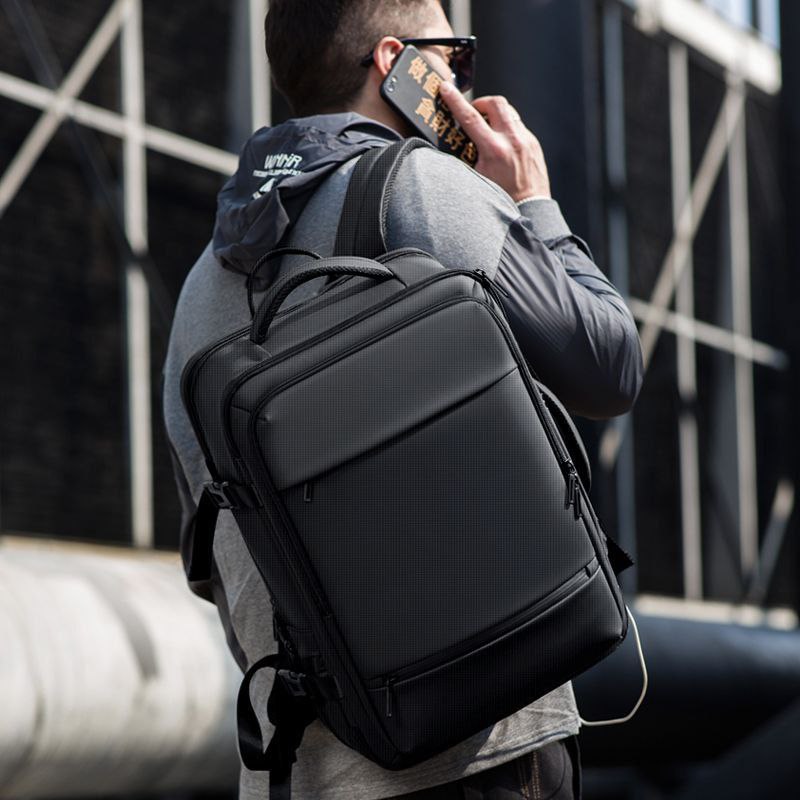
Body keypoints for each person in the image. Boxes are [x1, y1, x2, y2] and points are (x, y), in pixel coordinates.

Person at [162, 1, 643, 798]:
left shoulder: (202, 282)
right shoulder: (423, 187)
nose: (464, 84)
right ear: (399, 64)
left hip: (298, 770)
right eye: (455, 59)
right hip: (476, 756)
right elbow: (608, 363)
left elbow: (211, 556)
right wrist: (533, 201)